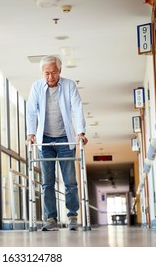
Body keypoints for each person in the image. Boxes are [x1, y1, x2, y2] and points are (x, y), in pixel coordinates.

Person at [26, 55, 88, 231]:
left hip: (65, 139)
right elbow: (31, 110)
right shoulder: (36, 87)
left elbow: (77, 107)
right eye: (46, 73)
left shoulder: (69, 86)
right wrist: (31, 134)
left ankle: (73, 216)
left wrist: (80, 133)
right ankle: (50, 218)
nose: (50, 77)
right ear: (42, 73)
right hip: (44, 140)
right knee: (47, 182)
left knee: (70, 181)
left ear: (60, 70)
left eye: (54, 72)